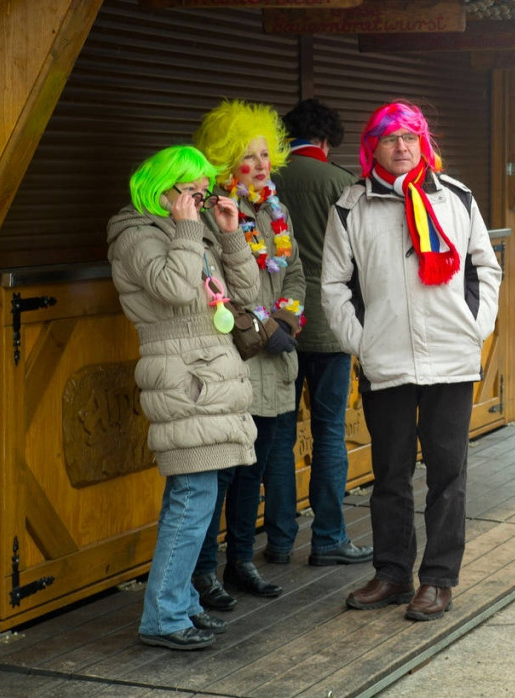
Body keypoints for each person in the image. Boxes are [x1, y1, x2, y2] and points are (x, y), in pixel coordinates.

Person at [322, 101, 502, 621]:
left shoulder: (456, 197)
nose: (401, 148)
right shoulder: (351, 207)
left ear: (423, 143)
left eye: (410, 137)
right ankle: (393, 573)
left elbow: (484, 268)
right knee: (390, 474)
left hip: (451, 356)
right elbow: (333, 283)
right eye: (389, 139)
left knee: (448, 473)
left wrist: (477, 324)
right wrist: (363, 340)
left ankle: (439, 580)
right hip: (388, 360)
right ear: (372, 147)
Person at [107, 145, 258, 650]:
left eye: (201, 190)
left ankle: (183, 606)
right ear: (161, 187)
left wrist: (230, 233)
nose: (198, 198)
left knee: (198, 498)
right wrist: (191, 229)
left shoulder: (190, 231)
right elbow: (173, 288)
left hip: (211, 376)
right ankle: (164, 617)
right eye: (189, 190)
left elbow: (247, 292)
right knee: (192, 500)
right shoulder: (134, 235)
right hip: (183, 380)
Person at [190, 100, 306, 609]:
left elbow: (296, 276)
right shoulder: (215, 215)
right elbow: (223, 289)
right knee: (224, 474)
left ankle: (241, 561)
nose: (260, 165)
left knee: (254, 473)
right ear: (222, 162)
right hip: (239, 364)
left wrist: (285, 322)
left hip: (278, 362)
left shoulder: (275, 211)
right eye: (247, 156)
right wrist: (265, 329)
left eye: (265, 154)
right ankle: (204, 572)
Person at [264, 99, 372, 567]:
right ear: (327, 139)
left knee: (278, 435)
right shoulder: (343, 184)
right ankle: (328, 538)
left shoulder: (269, 184)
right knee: (329, 432)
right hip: (330, 327)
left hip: (278, 326)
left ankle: (281, 540)